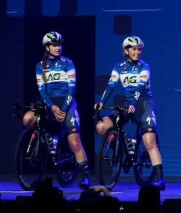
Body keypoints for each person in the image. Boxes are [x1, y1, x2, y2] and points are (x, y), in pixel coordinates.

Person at [94, 36, 166, 190]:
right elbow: (111, 85)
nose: (138, 52)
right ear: (126, 51)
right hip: (128, 104)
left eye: (139, 49)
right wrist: (101, 102)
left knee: (149, 142)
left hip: (144, 105)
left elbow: (140, 87)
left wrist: (133, 103)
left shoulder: (145, 66)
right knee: (102, 127)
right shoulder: (119, 67)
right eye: (134, 49)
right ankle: (120, 151)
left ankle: (160, 180)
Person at [23, 32, 90, 188]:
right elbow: (42, 90)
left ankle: (85, 176)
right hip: (49, 103)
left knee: (74, 141)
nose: (58, 47)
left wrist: (64, 109)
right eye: (54, 45)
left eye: (59, 44)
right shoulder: (40, 66)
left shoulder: (68, 63)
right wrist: (52, 107)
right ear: (47, 47)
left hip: (67, 103)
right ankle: (43, 141)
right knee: (28, 118)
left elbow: (71, 89)